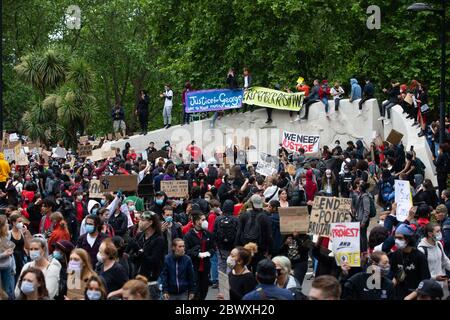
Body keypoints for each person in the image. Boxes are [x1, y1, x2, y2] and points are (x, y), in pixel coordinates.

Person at [127, 211, 165, 300]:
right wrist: (135, 253)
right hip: (136, 278)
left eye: (143, 220)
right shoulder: (140, 236)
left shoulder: (159, 240)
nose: (140, 222)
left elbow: (153, 262)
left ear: (150, 222)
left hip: (150, 282)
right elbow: (132, 257)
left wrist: (140, 251)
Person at [389, 223, 430, 300]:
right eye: (395, 238)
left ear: (408, 239)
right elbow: (395, 276)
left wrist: (410, 297)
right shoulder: (395, 254)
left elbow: (425, 281)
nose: (397, 240)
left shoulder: (420, 256)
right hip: (398, 294)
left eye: (400, 238)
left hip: (415, 295)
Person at [15, 235, 61, 299]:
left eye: (36, 249)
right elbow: (17, 290)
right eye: (31, 249)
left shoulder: (52, 268)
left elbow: (49, 293)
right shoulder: (27, 266)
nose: (33, 251)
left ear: (43, 249)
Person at [235, 195, 273, 269]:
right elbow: (269, 235)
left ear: (251, 203)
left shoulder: (244, 215)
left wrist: (237, 246)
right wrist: (270, 250)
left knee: (245, 269)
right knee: (257, 269)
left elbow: (239, 232)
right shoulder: (265, 217)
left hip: (245, 247)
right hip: (260, 249)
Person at [184, 212, 215, 300]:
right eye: (203, 219)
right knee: (195, 291)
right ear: (197, 221)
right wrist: (197, 254)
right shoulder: (188, 236)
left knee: (204, 289)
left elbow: (213, 248)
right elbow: (186, 251)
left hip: (205, 268)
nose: (206, 221)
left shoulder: (208, 234)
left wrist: (209, 253)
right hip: (194, 267)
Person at [417, 223, 450, 287]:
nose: (440, 233)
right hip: (428, 287)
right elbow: (420, 272)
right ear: (430, 234)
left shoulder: (439, 244)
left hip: (440, 285)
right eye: (437, 231)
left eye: (440, 231)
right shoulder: (421, 249)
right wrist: (434, 278)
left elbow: (445, 261)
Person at [214, 199, 239, 273]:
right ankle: (229, 283)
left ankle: (222, 284)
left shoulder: (218, 219)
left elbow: (214, 232)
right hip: (232, 247)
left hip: (221, 247)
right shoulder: (236, 219)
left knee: (221, 266)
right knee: (231, 265)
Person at [9, 213, 31, 284]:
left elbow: (27, 246)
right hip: (13, 258)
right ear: (13, 222)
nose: (21, 223)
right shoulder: (9, 233)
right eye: (19, 222)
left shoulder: (22, 232)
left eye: (21, 221)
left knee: (21, 277)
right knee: (13, 279)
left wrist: (25, 235)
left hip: (21, 257)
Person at [0, 215, 15, 299]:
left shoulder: (5, 236)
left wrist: (13, 267)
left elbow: (10, 255)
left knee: (6, 292)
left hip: (7, 267)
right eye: (6, 223)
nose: (8, 225)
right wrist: (4, 254)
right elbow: (4, 253)